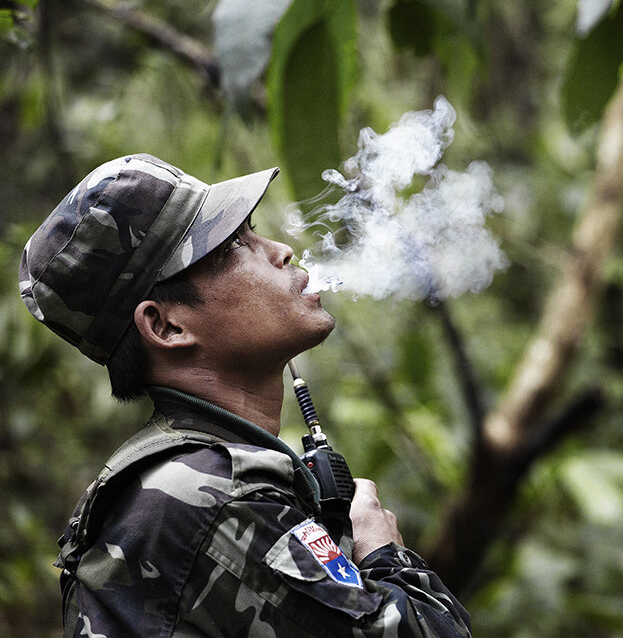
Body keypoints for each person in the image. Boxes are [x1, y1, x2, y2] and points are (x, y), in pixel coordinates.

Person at [19, 154, 471, 637]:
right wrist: (383, 552)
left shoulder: (197, 477)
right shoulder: (212, 498)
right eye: (235, 244)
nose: (281, 250)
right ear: (166, 325)